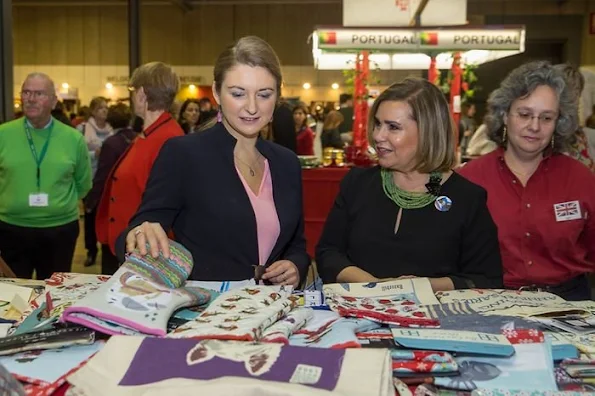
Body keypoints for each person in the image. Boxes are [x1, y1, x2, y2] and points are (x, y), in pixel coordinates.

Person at [118, 36, 310, 287]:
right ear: (217, 92)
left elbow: (297, 244)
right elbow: (137, 229)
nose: (252, 107)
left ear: (277, 98)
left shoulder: (286, 163)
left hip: (271, 308)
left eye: (264, 94)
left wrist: (295, 265)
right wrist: (140, 234)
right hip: (207, 311)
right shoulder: (184, 154)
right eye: (238, 93)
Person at [316, 78, 502, 291]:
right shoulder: (357, 184)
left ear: (428, 132)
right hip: (356, 315)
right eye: (377, 124)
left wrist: (419, 286)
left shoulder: (466, 198)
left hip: (435, 320)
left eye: (393, 127)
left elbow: (485, 279)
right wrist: (375, 286)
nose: (378, 135)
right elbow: (328, 253)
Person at [458, 61, 595, 301]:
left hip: (570, 306)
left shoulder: (581, 180)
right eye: (524, 114)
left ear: (558, 123)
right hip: (491, 304)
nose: (534, 126)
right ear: (504, 114)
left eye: (546, 118)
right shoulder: (469, 180)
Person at [0, 73, 92, 279]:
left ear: (53, 101)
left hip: (59, 231)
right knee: (12, 299)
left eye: (39, 93)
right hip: (11, 230)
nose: (31, 98)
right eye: (26, 92)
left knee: (53, 295)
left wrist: (57, 205)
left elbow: (83, 183)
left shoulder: (73, 139)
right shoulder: (3, 135)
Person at [95, 62, 184, 259]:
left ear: (142, 94)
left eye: (132, 91)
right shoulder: (151, 133)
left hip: (147, 252)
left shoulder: (168, 139)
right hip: (132, 245)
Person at [84, 103, 137, 275]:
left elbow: (103, 176)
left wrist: (91, 201)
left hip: (113, 207)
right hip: (135, 204)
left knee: (110, 258)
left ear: (110, 121)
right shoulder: (139, 139)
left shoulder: (111, 143)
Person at [79, 96, 114, 267]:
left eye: (106, 108)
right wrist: (95, 154)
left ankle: (106, 248)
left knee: (106, 217)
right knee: (90, 217)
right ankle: (91, 251)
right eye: (101, 108)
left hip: (107, 180)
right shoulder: (84, 128)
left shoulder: (111, 130)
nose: (104, 111)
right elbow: (78, 154)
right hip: (90, 179)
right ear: (93, 111)